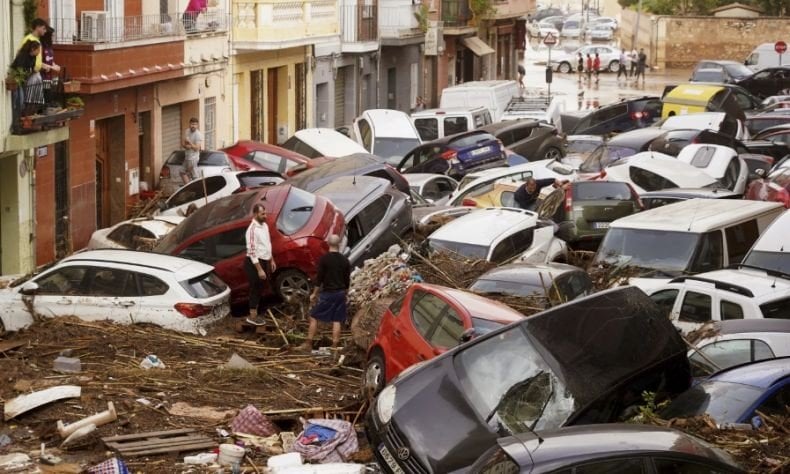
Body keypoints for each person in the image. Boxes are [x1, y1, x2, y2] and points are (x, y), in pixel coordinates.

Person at [300, 235, 351, 351]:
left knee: (314, 316)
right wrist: (345, 294)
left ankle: (308, 343)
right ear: (338, 244)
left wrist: (314, 294)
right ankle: (334, 346)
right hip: (340, 293)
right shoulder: (345, 261)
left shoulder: (324, 259)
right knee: (337, 320)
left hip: (328, 294)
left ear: (328, 244)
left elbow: (319, 279)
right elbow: (347, 280)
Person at [245, 204, 276, 326]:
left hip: (264, 260)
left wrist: (271, 259)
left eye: (265, 213)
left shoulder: (265, 226)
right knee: (255, 288)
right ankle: (252, 317)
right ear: (256, 214)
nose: (265, 216)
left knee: (263, 287)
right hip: (254, 263)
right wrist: (259, 269)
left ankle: (259, 312)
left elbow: (267, 244)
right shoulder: (252, 230)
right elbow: (252, 251)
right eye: (262, 214)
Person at [12, 40, 45, 115]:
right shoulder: (23, 56)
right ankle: (16, 117)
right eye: (38, 50)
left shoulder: (34, 57)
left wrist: (34, 72)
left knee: (22, 100)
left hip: (24, 80)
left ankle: (19, 117)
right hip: (17, 79)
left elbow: (32, 68)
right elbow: (18, 68)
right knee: (19, 99)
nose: (39, 52)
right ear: (33, 49)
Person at [40, 26, 61, 104]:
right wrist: (52, 67)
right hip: (43, 77)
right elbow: (38, 62)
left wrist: (55, 65)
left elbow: (50, 60)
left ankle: (50, 104)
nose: (53, 37)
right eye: (52, 35)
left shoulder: (49, 47)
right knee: (45, 96)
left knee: (50, 94)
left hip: (50, 77)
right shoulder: (41, 46)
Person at [181, 117, 203, 184]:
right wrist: (186, 146)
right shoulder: (187, 131)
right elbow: (183, 143)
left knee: (193, 176)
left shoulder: (198, 135)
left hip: (193, 158)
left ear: (197, 125)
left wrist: (190, 142)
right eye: (192, 124)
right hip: (187, 156)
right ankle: (189, 188)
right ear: (189, 124)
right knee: (183, 172)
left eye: (195, 124)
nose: (193, 126)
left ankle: (194, 190)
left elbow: (197, 148)